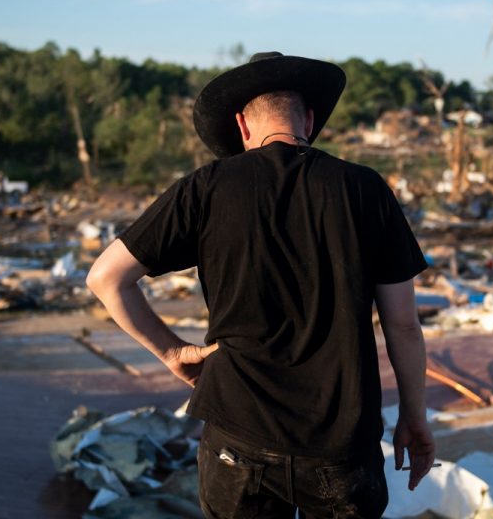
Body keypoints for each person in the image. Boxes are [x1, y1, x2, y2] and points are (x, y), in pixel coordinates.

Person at [87, 52, 435, 518]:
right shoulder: (365, 189)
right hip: (340, 444)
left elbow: (105, 278)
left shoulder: (205, 187)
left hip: (238, 435)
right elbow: (403, 325)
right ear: (308, 120)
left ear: (242, 127)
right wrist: (414, 417)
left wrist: (172, 352)